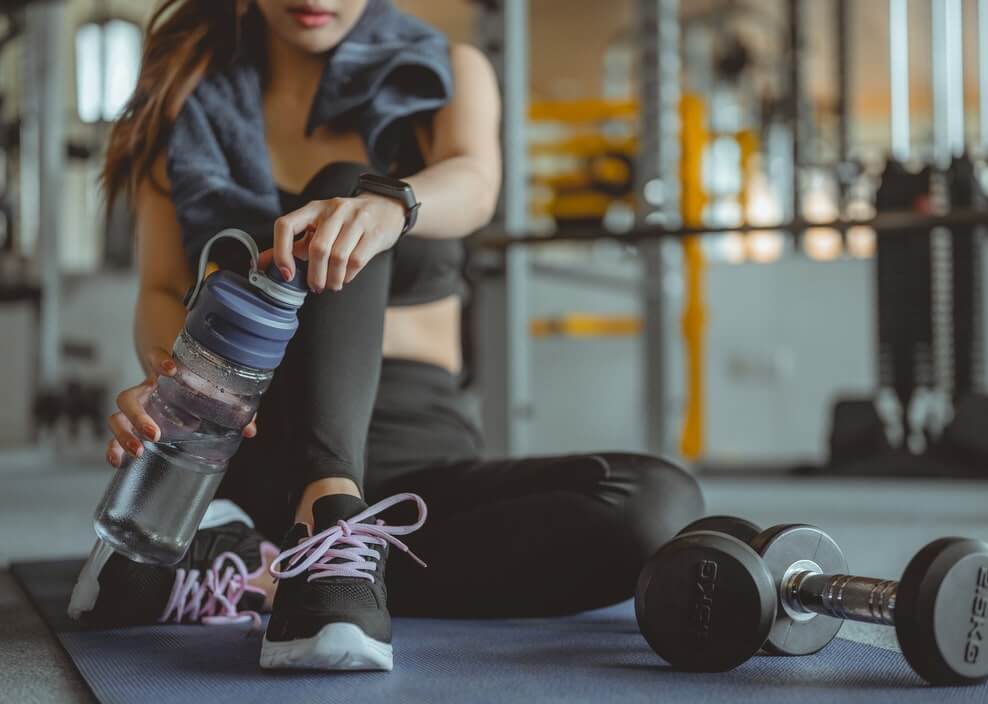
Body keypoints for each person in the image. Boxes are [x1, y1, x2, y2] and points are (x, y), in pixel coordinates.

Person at [92, 0, 705, 672]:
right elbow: (162, 287)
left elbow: (474, 181)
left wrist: (391, 206)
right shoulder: (183, 98)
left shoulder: (448, 72)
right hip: (264, 443)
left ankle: (260, 566)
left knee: (657, 507)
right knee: (343, 186)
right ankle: (324, 523)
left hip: (420, 467)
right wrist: (169, 385)